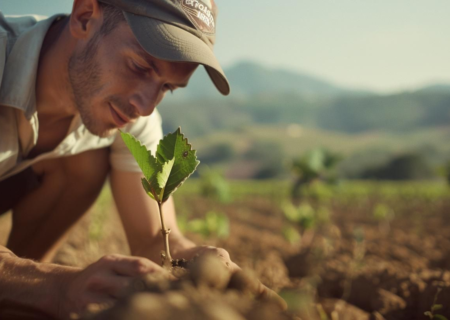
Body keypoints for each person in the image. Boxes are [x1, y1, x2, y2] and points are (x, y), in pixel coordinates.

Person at [0, 0, 281, 318]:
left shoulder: (128, 116)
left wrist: (197, 262)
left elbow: (153, 239)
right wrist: (56, 287)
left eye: (167, 87)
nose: (145, 106)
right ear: (84, 17)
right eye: (139, 67)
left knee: (87, 160)